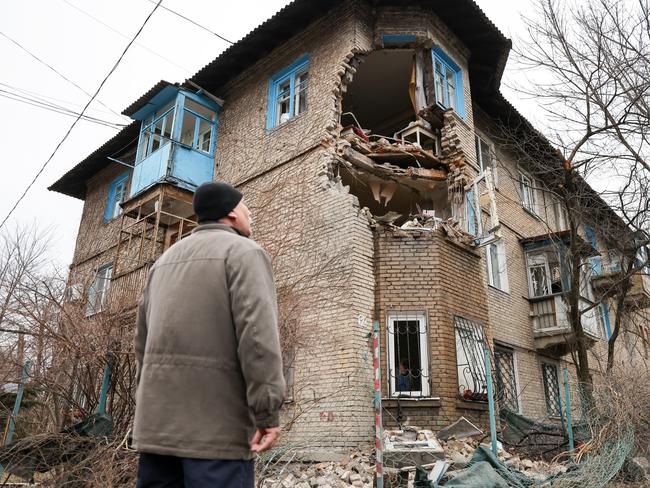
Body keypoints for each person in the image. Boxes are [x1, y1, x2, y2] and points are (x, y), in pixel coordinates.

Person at [133, 181, 286, 488]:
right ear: (231, 212)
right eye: (246, 206)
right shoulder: (245, 253)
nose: (250, 213)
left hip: (156, 433)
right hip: (216, 436)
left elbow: (141, 344)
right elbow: (257, 341)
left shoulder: (162, 263)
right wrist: (267, 413)